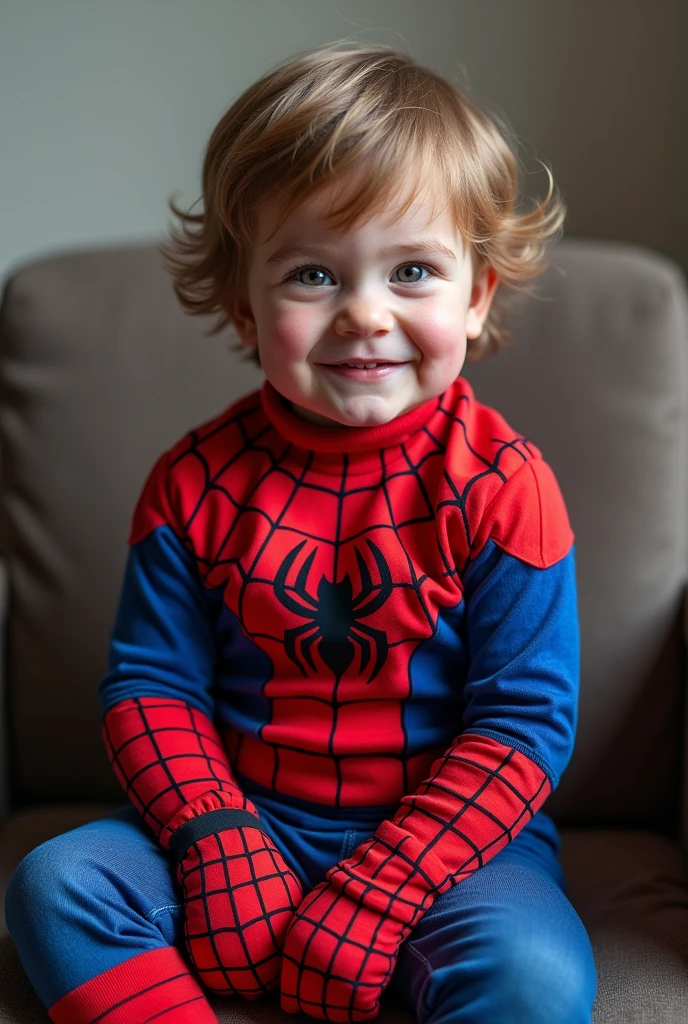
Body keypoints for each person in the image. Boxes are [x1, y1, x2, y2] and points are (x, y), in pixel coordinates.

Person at [5, 43, 597, 1024]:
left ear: (477, 294)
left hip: (454, 849)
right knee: (55, 885)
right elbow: (151, 687)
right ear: (244, 302)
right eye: (313, 274)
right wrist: (216, 835)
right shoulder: (190, 481)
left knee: (533, 977)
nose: (365, 313)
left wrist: (387, 883)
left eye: (413, 270)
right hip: (243, 814)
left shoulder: (506, 485)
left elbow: (524, 725)